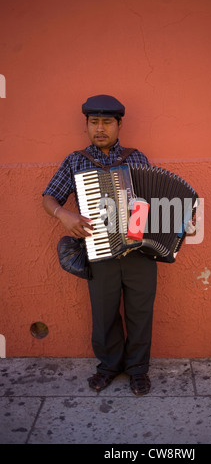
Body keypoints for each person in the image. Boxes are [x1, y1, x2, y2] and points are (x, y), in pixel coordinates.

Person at [42, 95, 157, 396]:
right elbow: (48, 197)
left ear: (119, 125)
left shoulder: (137, 158)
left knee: (140, 313)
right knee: (103, 313)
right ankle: (108, 367)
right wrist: (64, 214)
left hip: (138, 250)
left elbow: (149, 202)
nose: (100, 128)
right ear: (87, 126)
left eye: (107, 122)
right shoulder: (75, 160)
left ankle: (138, 371)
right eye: (94, 122)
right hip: (98, 250)